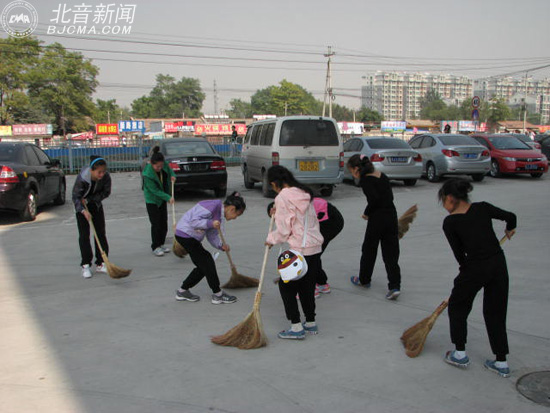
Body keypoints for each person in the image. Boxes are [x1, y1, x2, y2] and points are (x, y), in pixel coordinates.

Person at [438, 178, 516, 378]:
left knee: (457, 306)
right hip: (498, 264)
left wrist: (461, 285)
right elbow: (511, 216)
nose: (444, 207)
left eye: (443, 202)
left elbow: (459, 255)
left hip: (475, 267)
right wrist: (510, 229)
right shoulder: (483, 208)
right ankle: (501, 362)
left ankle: (460, 354)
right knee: (495, 313)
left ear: (450, 199)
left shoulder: (450, 223)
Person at [265, 165, 324, 340]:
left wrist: (270, 239)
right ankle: (311, 323)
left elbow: (284, 230)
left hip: (298, 250)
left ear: (275, 183)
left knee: (287, 287)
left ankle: (296, 327)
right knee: (307, 287)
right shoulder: (304, 193)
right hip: (314, 248)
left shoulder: (283, 197)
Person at [174, 192, 246, 304]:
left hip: (191, 237)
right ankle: (218, 294)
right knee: (207, 262)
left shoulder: (219, 216)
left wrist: (220, 245)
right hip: (185, 234)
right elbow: (193, 222)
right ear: (232, 209)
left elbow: (212, 235)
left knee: (203, 266)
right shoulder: (211, 206)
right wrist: (210, 223)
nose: (235, 218)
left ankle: (182, 290)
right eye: (238, 214)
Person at [347, 154, 402, 300]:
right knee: (391, 253)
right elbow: (388, 197)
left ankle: (364, 280)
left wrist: (366, 213)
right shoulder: (381, 175)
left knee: (369, 249)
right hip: (391, 216)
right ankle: (395, 286)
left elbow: (374, 199)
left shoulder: (366, 180)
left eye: (351, 170)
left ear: (357, 168)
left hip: (377, 219)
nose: (352, 174)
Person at [267, 197, 344, 298]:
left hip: (329, 221)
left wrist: (274, 239)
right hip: (323, 220)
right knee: (313, 255)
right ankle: (322, 284)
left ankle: (309, 290)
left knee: (309, 255)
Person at [72, 156, 112, 279]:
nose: (101, 174)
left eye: (103, 171)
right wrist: (83, 210)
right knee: (84, 236)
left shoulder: (106, 177)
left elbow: (106, 192)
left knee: (100, 234)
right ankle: (85, 265)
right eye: (98, 172)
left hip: (96, 206)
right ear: (92, 170)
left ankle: (101, 263)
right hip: (81, 208)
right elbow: (75, 197)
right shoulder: (83, 178)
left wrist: (90, 200)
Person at [142, 146, 176, 257]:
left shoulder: (163, 165)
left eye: (161, 166)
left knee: (163, 223)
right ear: (152, 164)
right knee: (156, 223)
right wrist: (168, 197)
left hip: (162, 199)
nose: (159, 168)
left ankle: (161, 244)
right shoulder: (147, 175)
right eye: (157, 166)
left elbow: (170, 171)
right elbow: (154, 191)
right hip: (152, 200)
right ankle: (155, 246)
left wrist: (173, 177)